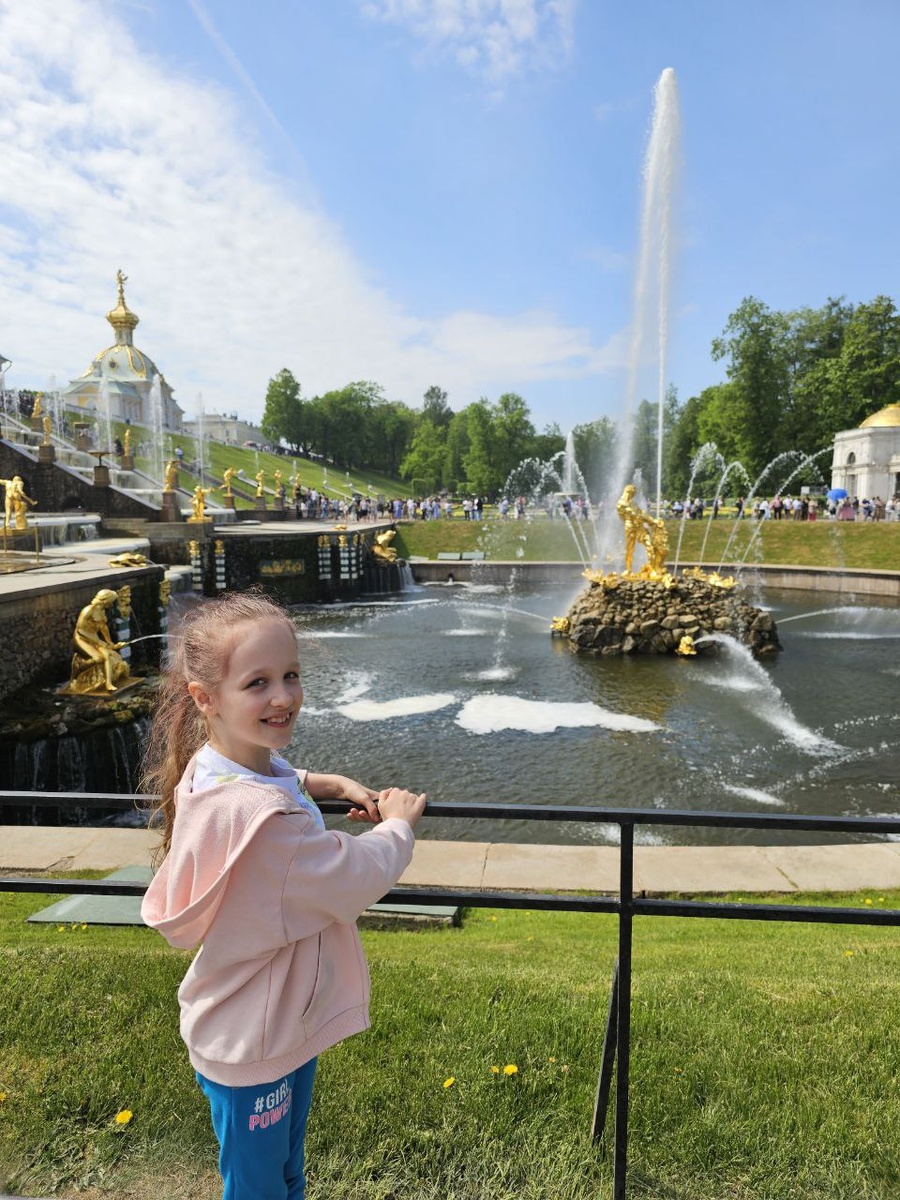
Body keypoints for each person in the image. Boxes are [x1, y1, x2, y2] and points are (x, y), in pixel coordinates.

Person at [140, 592, 426, 1200]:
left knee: (282, 1172)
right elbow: (351, 876)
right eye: (258, 682)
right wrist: (396, 825)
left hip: (272, 1020)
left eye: (291, 675)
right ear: (205, 698)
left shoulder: (210, 769)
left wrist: (319, 781)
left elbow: (262, 775)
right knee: (258, 1186)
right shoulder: (267, 826)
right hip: (254, 1037)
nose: (283, 696)